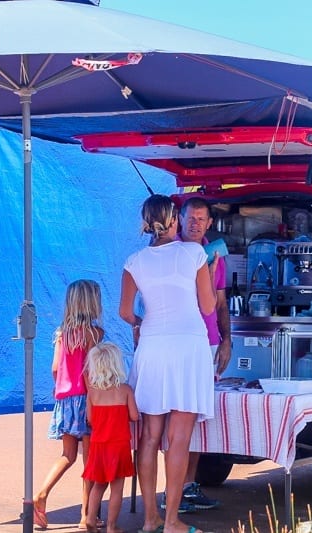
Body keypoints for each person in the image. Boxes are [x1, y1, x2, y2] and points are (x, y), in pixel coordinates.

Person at [120, 194, 217, 533]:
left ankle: (150, 520)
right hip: (188, 348)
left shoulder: (134, 260)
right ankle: (173, 520)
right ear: (174, 220)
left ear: (147, 222)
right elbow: (207, 307)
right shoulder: (194, 253)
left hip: (152, 347)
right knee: (178, 439)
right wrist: (211, 273)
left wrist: (140, 322)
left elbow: (124, 311)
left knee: (149, 437)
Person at [160, 196, 231, 513]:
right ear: (179, 218)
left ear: (209, 223)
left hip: (208, 342)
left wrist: (227, 339)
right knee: (172, 417)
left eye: (201, 219)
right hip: (175, 342)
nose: (195, 224)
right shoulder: (168, 252)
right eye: (190, 218)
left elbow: (219, 301)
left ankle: (188, 486)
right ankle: (170, 491)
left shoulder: (216, 253)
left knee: (198, 416)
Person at [34, 280, 104, 530]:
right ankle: (87, 515)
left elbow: (55, 369)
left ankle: (41, 494)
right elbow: (94, 371)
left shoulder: (62, 332)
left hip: (64, 400)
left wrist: (63, 387)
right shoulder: (95, 334)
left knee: (67, 455)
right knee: (90, 461)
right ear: (93, 303)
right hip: (87, 401)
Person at [82, 342, 139, 533]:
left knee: (98, 484)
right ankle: (112, 526)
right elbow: (134, 416)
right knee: (117, 488)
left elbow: (89, 419)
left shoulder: (92, 393)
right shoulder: (125, 390)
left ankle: (90, 517)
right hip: (119, 443)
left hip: (99, 444)